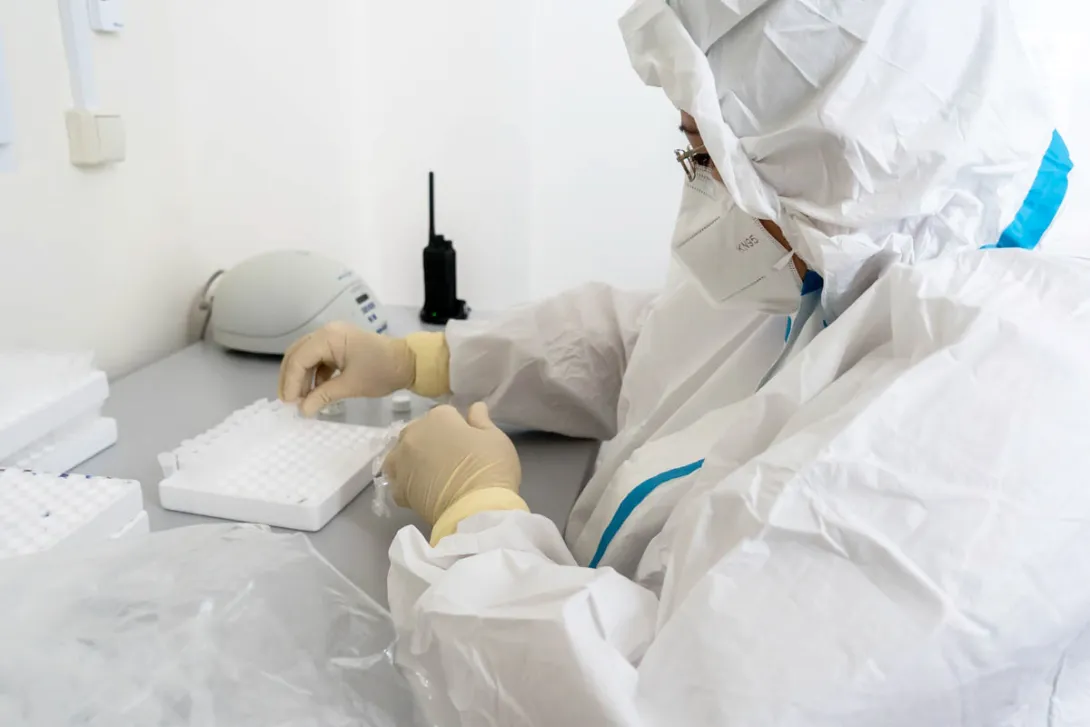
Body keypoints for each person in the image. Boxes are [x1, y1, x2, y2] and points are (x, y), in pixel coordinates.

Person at [279, 0, 1089, 724]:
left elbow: (645, 704)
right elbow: (654, 345)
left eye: (709, 154)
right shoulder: (850, 249)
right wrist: (421, 358)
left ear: (835, 148)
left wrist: (476, 517)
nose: (707, 189)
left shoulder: (1004, 403)